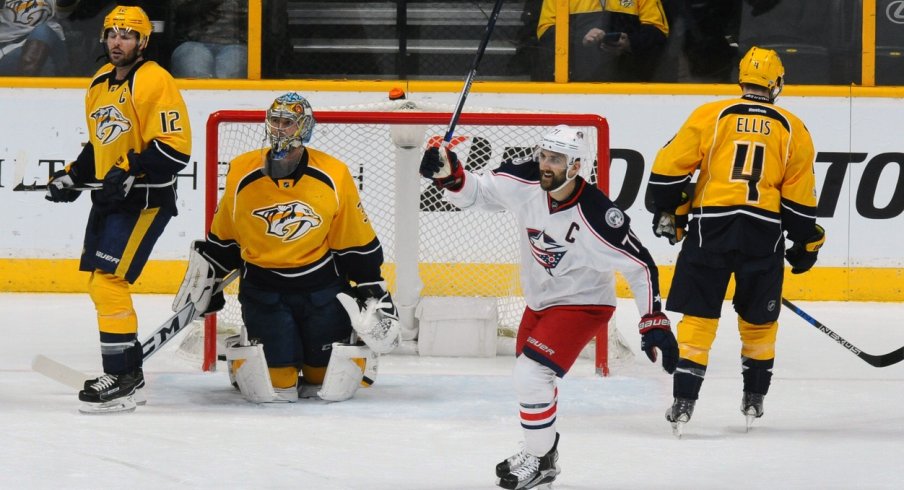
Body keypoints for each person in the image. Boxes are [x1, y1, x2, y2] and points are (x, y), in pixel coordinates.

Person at [420, 126, 678, 489]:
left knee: (531, 376)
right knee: (530, 380)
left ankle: (542, 464)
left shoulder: (599, 215)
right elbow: (475, 193)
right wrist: (450, 174)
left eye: (555, 159)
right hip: (541, 301)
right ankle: (540, 452)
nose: (544, 165)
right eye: (543, 155)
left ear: (575, 166)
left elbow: (641, 265)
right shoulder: (525, 178)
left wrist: (653, 320)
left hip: (583, 303)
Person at [172, 92, 400, 404]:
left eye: (288, 122)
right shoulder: (241, 170)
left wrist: (373, 289)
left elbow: (352, 239)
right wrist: (209, 277)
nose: (280, 129)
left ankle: (349, 348)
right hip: (264, 288)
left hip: (321, 288)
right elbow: (226, 234)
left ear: (304, 128)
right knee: (279, 387)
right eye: (275, 121)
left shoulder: (334, 174)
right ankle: (250, 349)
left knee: (324, 383)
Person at [646, 46, 824, 436]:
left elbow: (666, 172)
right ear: (777, 83)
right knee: (759, 323)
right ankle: (754, 396)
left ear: (741, 79)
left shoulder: (712, 115)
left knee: (699, 318)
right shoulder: (793, 126)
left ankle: (683, 401)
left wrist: (670, 210)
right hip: (763, 235)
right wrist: (806, 241)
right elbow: (799, 200)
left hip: (711, 228)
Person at [44, 5, 191, 414]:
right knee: (99, 284)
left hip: (144, 202)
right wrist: (73, 175)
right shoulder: (99, 82)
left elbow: (175, 149)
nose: (116, 41)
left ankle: (123, 378)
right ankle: (128, 373)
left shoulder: (154, 80)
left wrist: (133, 168)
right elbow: (101, 145)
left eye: (127, 35)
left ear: (144, 42)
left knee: (109, 283)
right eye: (112, 33)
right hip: (111, 200)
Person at [534, 0, 669, 82]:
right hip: (575, 79)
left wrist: (630, 43)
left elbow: (658, 32)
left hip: (628, 80)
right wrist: (580, 38)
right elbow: (546, 31)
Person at [169, 0, 247, 79]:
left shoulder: (241, 4)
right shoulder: (187, 5)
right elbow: (176, 15)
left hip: (235, 45)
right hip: (193, 44)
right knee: (192, 56)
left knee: (233, 59)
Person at [0, 0, 75, 76]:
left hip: (48, 45)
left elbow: (63, 9)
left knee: (42, 31)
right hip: (8, 49)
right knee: (45, 65)